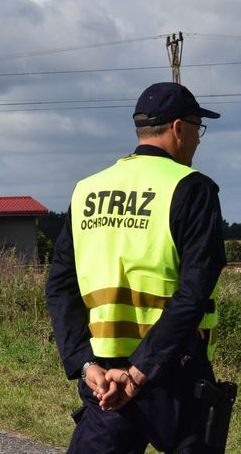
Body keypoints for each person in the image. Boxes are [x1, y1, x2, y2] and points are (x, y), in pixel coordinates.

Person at [46, 82, 227, 453]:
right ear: (178, 128)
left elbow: (59, 286)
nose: (197, 138)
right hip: (172, 371)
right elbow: (193, 293)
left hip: (104, 380)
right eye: (197, 127)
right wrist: (140, 371)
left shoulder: (87, 190)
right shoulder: (193, 188)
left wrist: (83, 364)